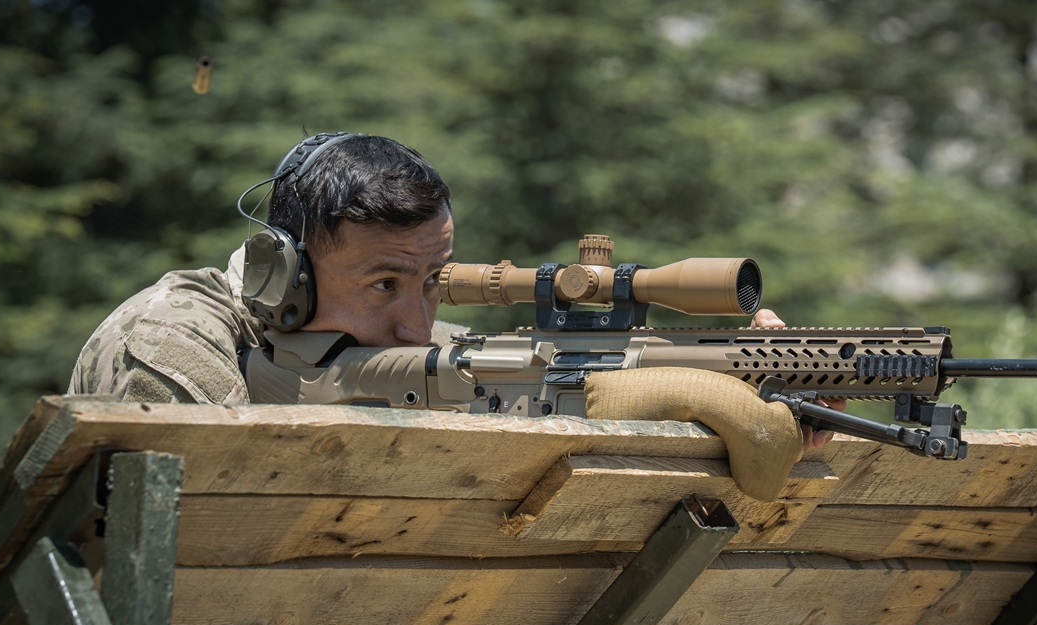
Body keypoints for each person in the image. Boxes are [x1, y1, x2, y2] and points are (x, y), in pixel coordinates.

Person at [67, 132, 839, 451]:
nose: (415, 324)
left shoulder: (430, 355)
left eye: (434, 282)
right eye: (383, 285)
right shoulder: (168, 342)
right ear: (282, 273)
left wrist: (738, 389)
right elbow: (217, 529)